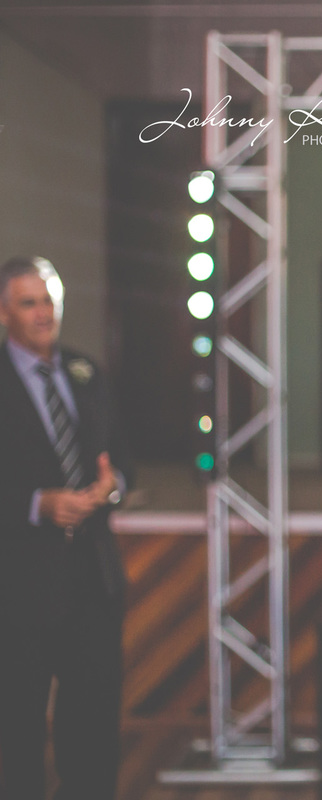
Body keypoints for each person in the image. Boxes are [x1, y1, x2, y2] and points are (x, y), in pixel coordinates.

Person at [0, 256, 129, 800]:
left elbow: (122, 459)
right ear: (4, 312)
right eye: (28, 302)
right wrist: (38, 504)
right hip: (19, 589)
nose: (42, 313)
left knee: (94, 732)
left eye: (49, 300)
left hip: (92, 583)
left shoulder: (85, 372)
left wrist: (111, 487)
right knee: (18, 732)